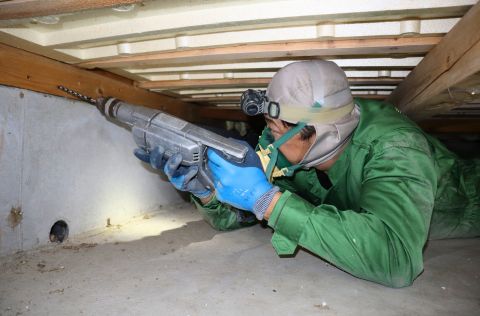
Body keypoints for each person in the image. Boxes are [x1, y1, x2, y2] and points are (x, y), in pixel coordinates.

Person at [134, 60, 480, 288]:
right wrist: (207, 191)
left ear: (319, 133)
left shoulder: (397, 147)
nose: (267, 138)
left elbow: (396, 259)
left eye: (273, 126)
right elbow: (236, 217)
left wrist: (270, 202)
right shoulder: (294, 153)